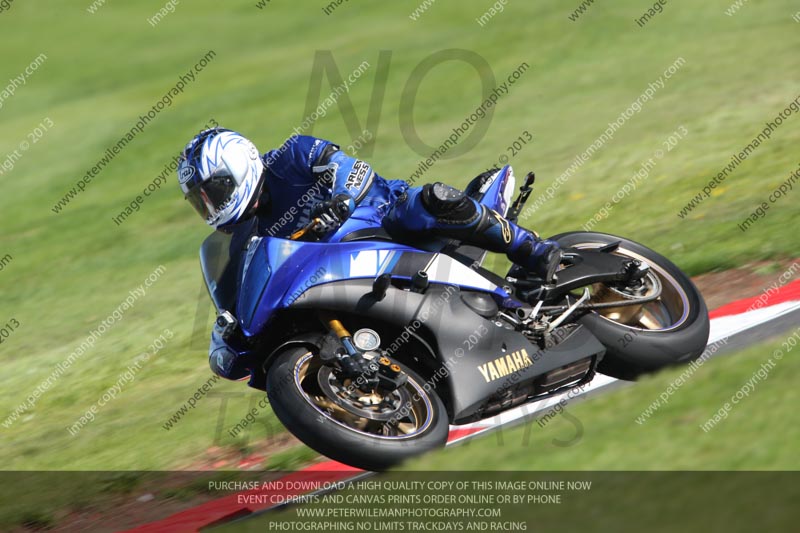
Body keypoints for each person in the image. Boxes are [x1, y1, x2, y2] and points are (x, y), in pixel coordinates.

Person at [177, 128, 560, 380]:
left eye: (216, 191)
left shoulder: (292, 155)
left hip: (382, 218)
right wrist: (228, 327)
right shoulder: (246, 235)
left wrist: (341, 199)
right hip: (334, 272)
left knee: (432, 199)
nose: (211, 207)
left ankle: (533, 250)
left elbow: (353, 168)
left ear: (240, 165)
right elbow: (242, 286)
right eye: (201, 201)